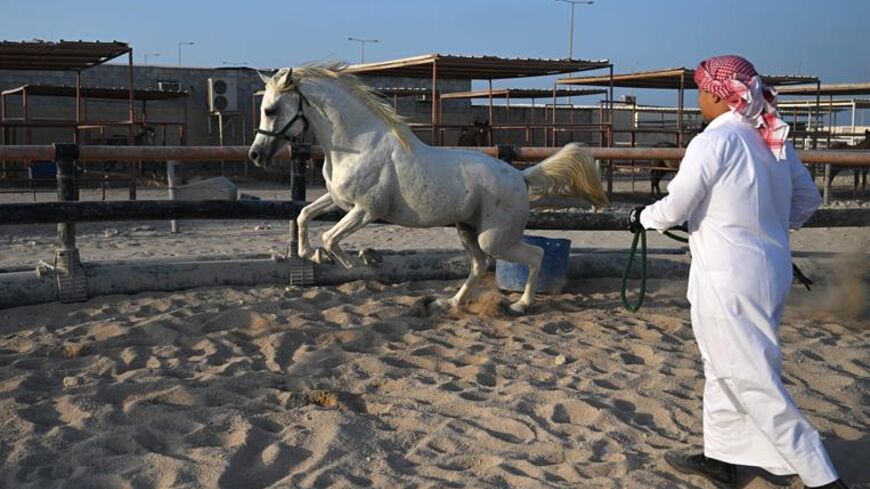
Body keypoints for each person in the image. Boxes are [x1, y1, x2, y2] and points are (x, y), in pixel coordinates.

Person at [627, 55, 848, 489]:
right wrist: (763, 225)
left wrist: (641, 217)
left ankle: (821, 476)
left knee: (750, 377)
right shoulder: (771, 138)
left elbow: (674, 207)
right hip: (769, 269)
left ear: (714, 94)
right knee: (721, 365)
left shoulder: (714, 141)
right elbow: (807, 203)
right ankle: (723, 456)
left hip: (728, 278)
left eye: (699, 94)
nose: (698, 102)